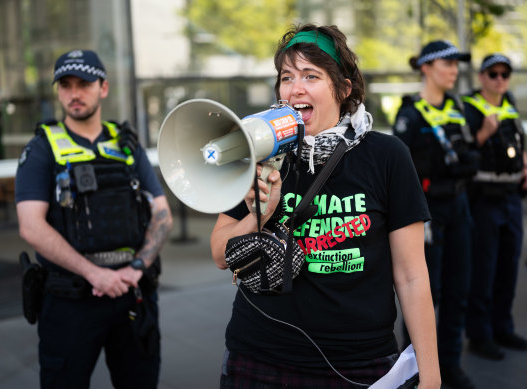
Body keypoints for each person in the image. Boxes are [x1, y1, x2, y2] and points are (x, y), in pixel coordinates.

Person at [210, 24, 440, 388]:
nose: (295, 88)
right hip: (259, 355)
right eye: (286, 77)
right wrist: (261, 214)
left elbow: (411, 277)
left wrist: (431, 375)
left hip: (360, 362)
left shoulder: (387, 156)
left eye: (310, 76)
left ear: (343, 89)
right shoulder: (261, 151)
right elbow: (221, 254)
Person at [15, 49, 173, 389]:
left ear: (103, 87)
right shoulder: (42, 148)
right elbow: (30, 226)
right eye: (66, 85)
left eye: (84, 84)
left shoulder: (127, 144)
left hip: (133, 294)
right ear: (58, 91)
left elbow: (162, 212)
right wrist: (94, 274)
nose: (74, 93)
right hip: (70, 303)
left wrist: (136, 268)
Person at [393, 40, 478, 389]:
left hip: (459, 207)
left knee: (459, 290)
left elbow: (470, 155)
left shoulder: (457, 109)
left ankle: (450, 364)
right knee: (426, 291)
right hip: (425, 216)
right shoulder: (409, 114)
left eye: (457, 63)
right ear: (425, 67)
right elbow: (400, 172)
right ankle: (411, 368)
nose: (454, 70)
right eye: (447, 63)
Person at [462, 54, 527, 361]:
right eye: (493, 74)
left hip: (512, 197)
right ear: (482, 76)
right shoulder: (468, 107)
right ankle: (480, 334)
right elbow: (461, 151)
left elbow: (519, 141)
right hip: (484, 199)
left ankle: (503, 327)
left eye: (505, 74)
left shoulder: (509, 103)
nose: (500, 79)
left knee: (508, 266)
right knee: (484, 269)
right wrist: (483, 134)